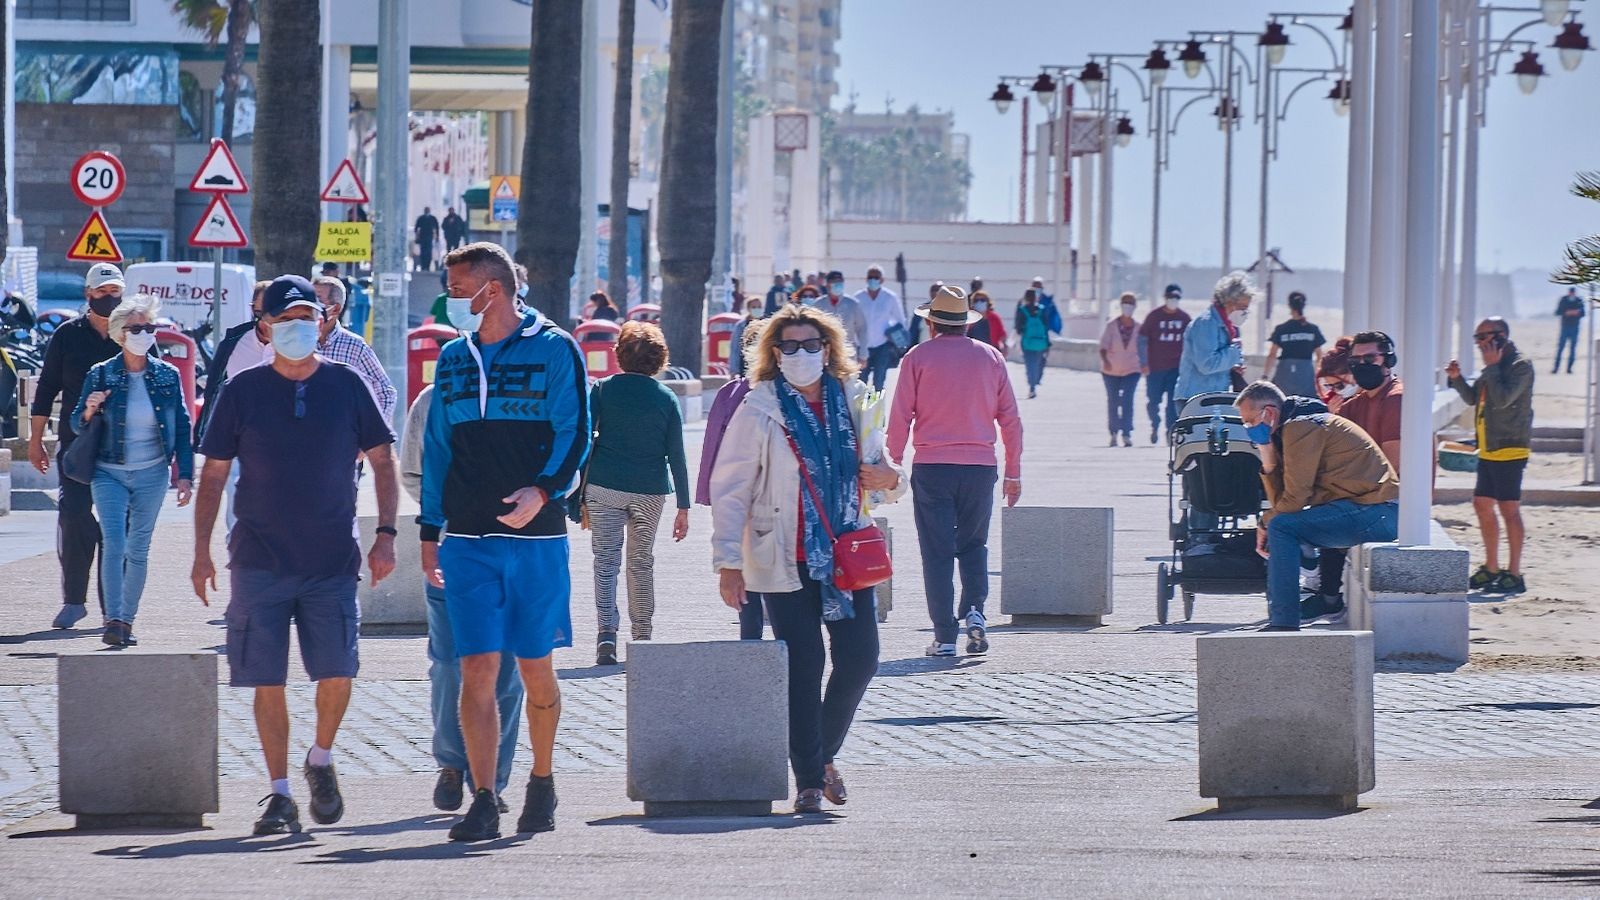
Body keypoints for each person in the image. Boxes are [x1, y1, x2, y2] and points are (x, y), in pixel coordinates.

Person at [191, 274, 399, 836]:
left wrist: (385, 534)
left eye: (308, 318)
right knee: (267, 678)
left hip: (331, 558)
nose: (298, 328)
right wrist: (201, 551)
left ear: (323, 323)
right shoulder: (243, 390)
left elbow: (383, 461)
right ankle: (279, 792)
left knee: (338, 672)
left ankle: (321, 759)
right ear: (266, 327)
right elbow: (211, 476)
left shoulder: (348, 383)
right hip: (258, 558)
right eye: (286, 321)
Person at [421, 242, 591, 842]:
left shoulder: (556, 348)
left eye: (457, 286)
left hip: (536, 541)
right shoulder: (452, 358)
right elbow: (438, 445)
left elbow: (578, 434)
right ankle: (485, 796)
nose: (450, 298)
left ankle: (541, 781)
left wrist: (544, 493)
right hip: (467, 540)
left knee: (536, 670)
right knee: (476, 671)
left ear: (492, 288)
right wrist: (428, 527)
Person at [711, 303, 903, 813]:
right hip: (781, 556)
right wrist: (728, 563)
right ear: (774, 353)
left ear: (829, 349)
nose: (801, 354)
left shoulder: (856, 400)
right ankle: (809, 782)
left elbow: (881, 468)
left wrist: (892, 479)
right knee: (804, 665)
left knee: (861, 658)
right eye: (790, 346)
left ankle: (821, 757)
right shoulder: (759, 407)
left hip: (846, 554)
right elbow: (730, 488)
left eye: (811, 345)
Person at [400, 383, 524, 815]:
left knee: (508, 669)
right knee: (450, 663)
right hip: (452, 548)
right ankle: (452, 765)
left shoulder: (529, 393)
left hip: (517, 550)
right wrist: (449, 511)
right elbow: (411, 473)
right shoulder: (434, 400)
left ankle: (490, 781)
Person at [889, 285, 1023, 658]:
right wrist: (1013, 473)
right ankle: (976, 612)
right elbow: (1011, 420)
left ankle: (945, 635)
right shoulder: (991, 358)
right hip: (980, 468)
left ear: (931, 323)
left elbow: (900, 416)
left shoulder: (917, 358)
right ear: (966, 323)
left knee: (937, 552)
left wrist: (893, 467)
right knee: (973, 544)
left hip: (932, 467)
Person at [72, 295, 194, 647]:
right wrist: (89, 410)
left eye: (149, 328)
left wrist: (184, 474)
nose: (145, 334)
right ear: (119, 334)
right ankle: (112, 618)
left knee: (138, 548)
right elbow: (76, 424)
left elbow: (183, 429)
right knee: (114, 544)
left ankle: (126, 619)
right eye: (136, 328)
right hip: (108, 472)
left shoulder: (167, 376)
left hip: (152, 473)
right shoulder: (101, 374)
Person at [1236, 381, 1399, 631]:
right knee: (1282, 524)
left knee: (1281, 527)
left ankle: (1284, 621)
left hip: (1377, 512)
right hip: (1371, 510)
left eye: (1249, 421)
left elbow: (1295, 499)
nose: (1248, 428)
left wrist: (1264, 523)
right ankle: (1293, 610)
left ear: (1269, 413)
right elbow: (1285, 499)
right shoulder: (1297, 426)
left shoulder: (1302, 427)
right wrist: (1266, 451)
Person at [584, 322, 691, 664]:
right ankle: (642, 637)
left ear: (619, 355)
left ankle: (606, 636)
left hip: (603, 486)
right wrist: (684, 507)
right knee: (641, 562)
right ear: (659, 360)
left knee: (605, 561)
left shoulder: (601, 390)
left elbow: (585, 439)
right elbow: (677, 454)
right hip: (649, 492)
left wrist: (574, 494)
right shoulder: (666, 398)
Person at [29, 262, 126, 630]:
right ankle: (74, 600)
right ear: (88, 294)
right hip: (77, 448)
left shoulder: (133, 333)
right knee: (75, 517)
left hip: (122, 450)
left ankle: (113, 608)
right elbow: (46, 391)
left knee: (118, 529)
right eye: (102, 292)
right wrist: (36, 442)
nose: (109, 299)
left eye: (114, 292)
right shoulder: (67, 336)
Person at [1306, 331, 1403, 618]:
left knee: (1298, 523)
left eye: (1370, 358)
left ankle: (1325, 596)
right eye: (1356, 360)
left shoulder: (1395, 400)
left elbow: (1392, 471)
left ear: (1388, 359)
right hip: (1367, 494)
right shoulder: (1355, 405)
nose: (1363, 365)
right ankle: (1321, 590)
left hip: (1392, 502)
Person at [1448, 317, 1535, 594]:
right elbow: (1475, 399)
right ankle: (1492, 567)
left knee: (1509, 509)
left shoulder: (1520, 365)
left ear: (1501, 336)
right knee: (1482, 504)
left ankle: (1515, 573)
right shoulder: (1492, 365)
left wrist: (1493, 366)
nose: (1480, 343)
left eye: (1484, 337)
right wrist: (1457, 380)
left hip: (1510, 447)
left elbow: (1503, 399)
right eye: (1477, 338)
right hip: (1488, 448)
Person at [696, 324, 764, 639]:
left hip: (738, 497)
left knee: (746, 568)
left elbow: (712, 446)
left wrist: (709, 492)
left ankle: (750, 636)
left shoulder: (731, 391)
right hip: (769, 498)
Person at [314, 276, 398, 425]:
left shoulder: (355, 347)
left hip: (342, 441)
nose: (312, 307)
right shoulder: (299, 342)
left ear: (336, 309)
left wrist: (371, 439)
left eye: (318, 300)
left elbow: (386, 393)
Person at [1175, 271, 1254, 401]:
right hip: (1195, 398)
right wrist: (1234, 353)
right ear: (1229, 301)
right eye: (1242, 307)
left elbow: (1221, 359)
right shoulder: (1206, 324)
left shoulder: (1230, 326)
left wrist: (1233, 365)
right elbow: (1207, 365)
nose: (1245, 312)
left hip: (1214, 395)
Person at [1139, 283, 1192, 443]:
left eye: (1176, 298)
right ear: (1165, 297)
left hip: (1176, 369)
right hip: (1155, 368)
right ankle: (1155, 425)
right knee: (1153, 401)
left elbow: (1191, 344)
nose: (1173, 300)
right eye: (1170, 297)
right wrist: (1143, 362)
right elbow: (1142, 340)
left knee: (1172, 403)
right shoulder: (1153, 317)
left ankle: (1170, 430)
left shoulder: (1184, 318)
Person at [1098, 293, 1143, 447]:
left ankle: (1126, 432)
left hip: (1132, 369)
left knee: (1127, 400)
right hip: (1110, 370)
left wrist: (1145, 364)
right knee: (1113, 400)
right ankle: (1113, 432)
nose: (1127, 306)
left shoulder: (1139, 327)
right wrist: (1105, 361)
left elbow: (1144, 348)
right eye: (1125, 303)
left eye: (1130, 303)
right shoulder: (1112, 326)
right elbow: (1103, 346)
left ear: (1135, 306)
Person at [853, 264, 906, 392]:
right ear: (866, 279)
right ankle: (861, 411)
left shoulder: (890, 297)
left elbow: (901, 320)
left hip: (882, 345)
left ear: (882, 280)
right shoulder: (858, 297)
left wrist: (890, 331)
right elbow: (853, 320)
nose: (873, 280)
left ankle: (877, 411)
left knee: (879, 381)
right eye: (870, 277)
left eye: (876, 277)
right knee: (861, 382)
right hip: (862, 346)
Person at [1264, 291, 1326, 398]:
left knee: (1282, 400)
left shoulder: (1282, 329)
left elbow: (1272, 354)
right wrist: (1318, 376)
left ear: (1289, 306)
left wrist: (1265, 376)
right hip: (1306, 372)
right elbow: (1320, 355)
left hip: (1285, 372)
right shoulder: (1312, 329)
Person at [804, 270, 869, 366]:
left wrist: (863, 354)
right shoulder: (818, 305)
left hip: (847, 354)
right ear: (827, 284)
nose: (837, 285)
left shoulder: (852, 304)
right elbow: (810, 329)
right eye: (834, 282)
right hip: (824, 354)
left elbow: (862, 329)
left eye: (840, 282)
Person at [1014, 289, 1051, 399]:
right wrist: (1047, 343)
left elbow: (1018, 327)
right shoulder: (1041, 309)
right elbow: (1046, 327)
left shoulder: (1022, 310)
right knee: (1039, 362)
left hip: (1027, 342)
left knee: (1030, 364)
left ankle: (1032, 386)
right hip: (1041, 342)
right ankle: (1036, 381)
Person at [1316, 337, 1357, 414]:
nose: (1336, 391)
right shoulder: (1329, 401)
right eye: (1330, 386)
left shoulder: (1372, 394)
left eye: (1339, 385)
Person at [1554, 287, 1586, 374]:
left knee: (1572, 349)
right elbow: (1557, 312)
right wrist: (1566, 312)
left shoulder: (1579, 300)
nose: (1571, 294)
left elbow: (1583, 313)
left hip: (1575, 327)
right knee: (1560, 348)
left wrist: (1576, 312)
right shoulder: (1564, 300)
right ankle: (1556, 368)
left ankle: (1569, 368)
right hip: (1565, 326)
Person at [414, 206, 441, 271]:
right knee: (423, 252)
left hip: (429, 237)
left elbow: (437, 228)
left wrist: (437, 236)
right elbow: (416, 228)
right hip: (422, 237)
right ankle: (423, 266)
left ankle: (427, 266)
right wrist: (417, 236)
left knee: (428, 252)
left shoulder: (432, 218)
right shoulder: (421, 218)